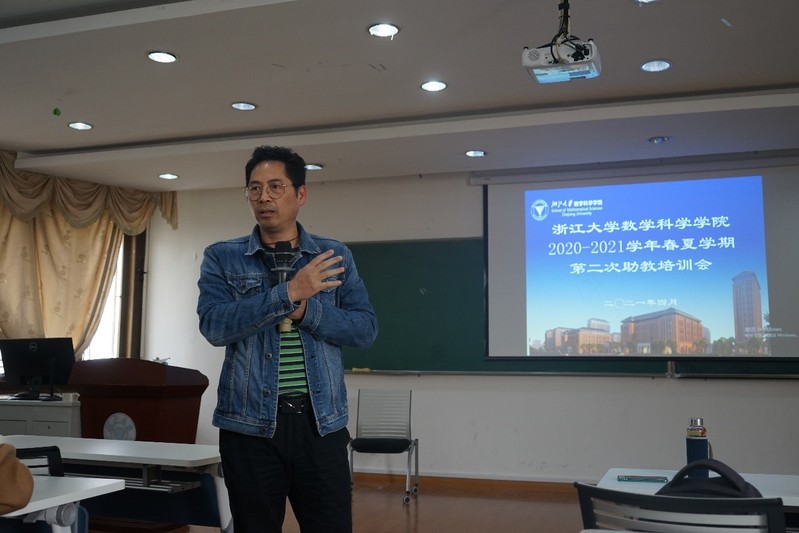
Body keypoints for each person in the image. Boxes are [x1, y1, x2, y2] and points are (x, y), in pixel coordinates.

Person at [197, 145, 377, 533]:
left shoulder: (333, 255)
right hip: (248, 428)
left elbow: (364, 329)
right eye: (255, 188)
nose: (264, 197)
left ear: (300, 194)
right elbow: (214, 326)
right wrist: (288, 294)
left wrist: (307, 311)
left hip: (320, 425)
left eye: (276, 187)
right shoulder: (223, 257)